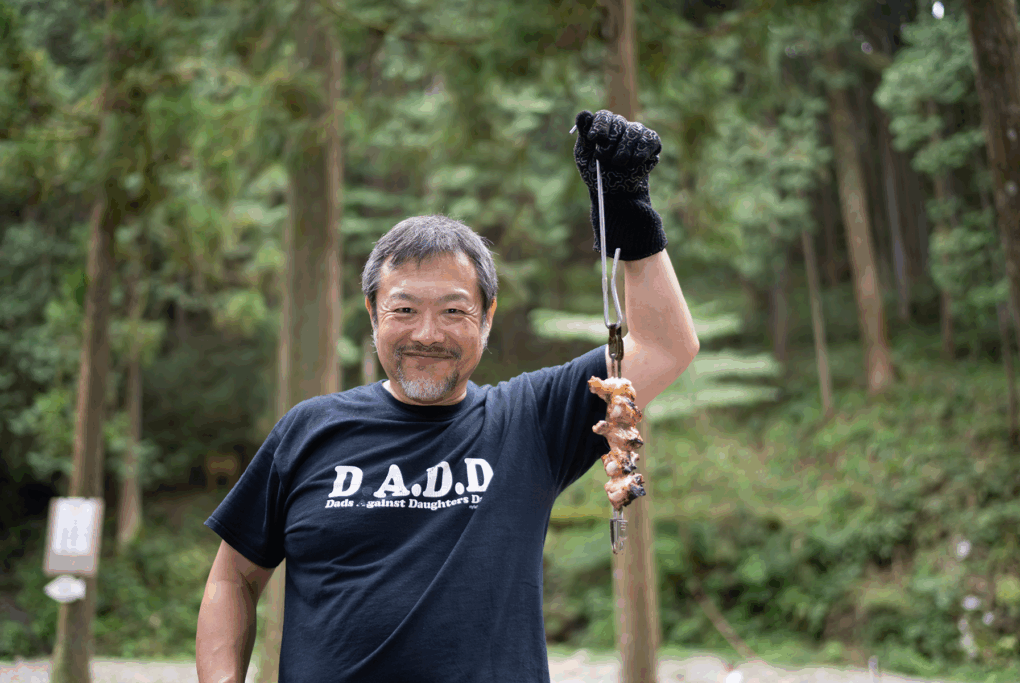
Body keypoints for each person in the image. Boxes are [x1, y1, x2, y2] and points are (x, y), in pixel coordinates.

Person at [195, 110, 700, 683]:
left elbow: (665, 346)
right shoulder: (308, 429)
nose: (428, 334)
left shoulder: (530, 420)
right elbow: (232, 578)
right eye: (405, 309)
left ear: (487, 317)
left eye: (454, 310)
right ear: (373, 313)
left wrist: (629, 211)